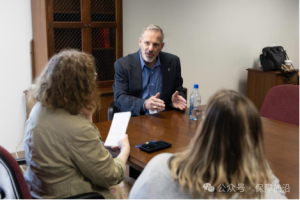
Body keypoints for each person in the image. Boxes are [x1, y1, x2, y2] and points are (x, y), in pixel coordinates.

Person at [129, 90, 287, 200]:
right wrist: (258, 162)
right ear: (253, 139)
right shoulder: (262, 193)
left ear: (202, 132)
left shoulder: (161, 167)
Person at [24, 50, 132, 199]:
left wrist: (86, 114)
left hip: (39, 191)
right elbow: (111, 175)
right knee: (133, 186)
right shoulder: (76, 127)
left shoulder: (38, 109)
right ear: (81, 86)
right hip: (73, 195)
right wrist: (124, 150)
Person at [113, 24, 187, 116]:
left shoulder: (173, 62)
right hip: (134, 119)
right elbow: (120, 98)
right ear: (140, 42)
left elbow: (179, 90)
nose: (150, 48)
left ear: (162, 46)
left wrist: (175, 100)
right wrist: (144, 104)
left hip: (163, 118)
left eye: (155, 44)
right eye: (147, 43)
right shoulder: (123, 65)